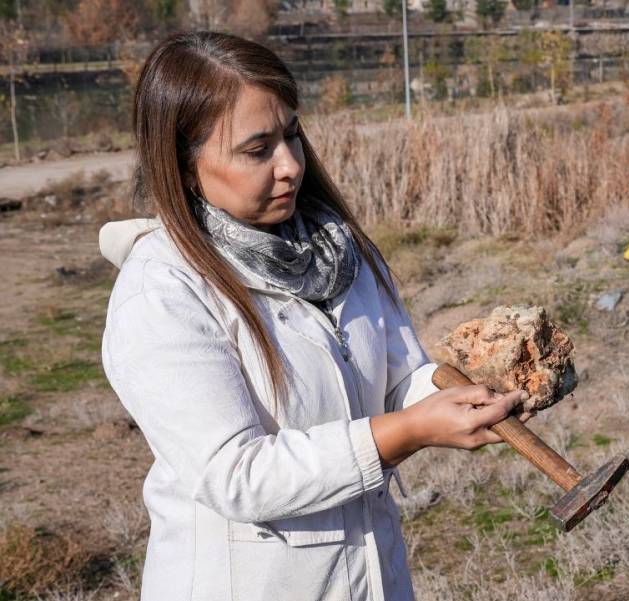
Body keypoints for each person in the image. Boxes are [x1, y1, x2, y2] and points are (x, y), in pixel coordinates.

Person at [99, 32, 531, 601]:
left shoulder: (337, 250)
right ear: (183, 166)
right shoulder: (163, 291)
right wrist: (407, 432)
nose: (291, 166)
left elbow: (400, 379)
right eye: (258, 150)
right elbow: (236, 475)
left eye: (292, 135)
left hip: (371, 578)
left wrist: (480, 389)